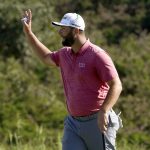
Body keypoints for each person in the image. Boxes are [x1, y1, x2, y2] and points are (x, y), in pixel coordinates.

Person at [22, 9, 122, 150]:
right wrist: (29, 33)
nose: (60, 32)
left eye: (63, 29)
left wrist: (104, 111)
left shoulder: (97, 55)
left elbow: (116, 85)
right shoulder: (64, 54)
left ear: (76, 31)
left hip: (98, 121)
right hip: (73, 123)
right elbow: (46, 58)